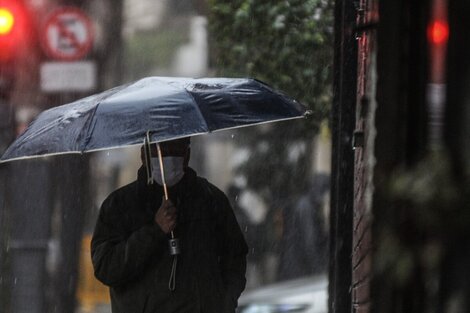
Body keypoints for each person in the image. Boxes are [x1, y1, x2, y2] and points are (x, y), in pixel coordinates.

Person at [91, 138, 248, 313]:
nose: (166, 158)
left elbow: (235, 257)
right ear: (144, 155)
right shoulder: (120, 205)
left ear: (186, 154)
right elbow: (106, 267)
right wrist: (154, 231)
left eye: (174, 150)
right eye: (159, 151)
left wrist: (224, 302)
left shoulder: (210, 199)